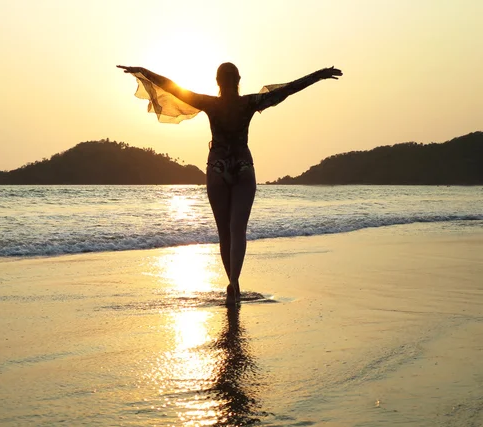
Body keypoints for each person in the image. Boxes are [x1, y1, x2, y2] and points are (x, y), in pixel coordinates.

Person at [117, 63, 342, 306]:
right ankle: (234, 281)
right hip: (243, 167)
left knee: (225, 232)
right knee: (238, 230)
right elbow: (287, 90)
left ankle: (232, 283)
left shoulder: (209, 103)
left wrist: (144, 72)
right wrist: (318, 75)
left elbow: (172, 87)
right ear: (239, 80)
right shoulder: (249, 103)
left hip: (217, 168)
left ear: (217, 81)